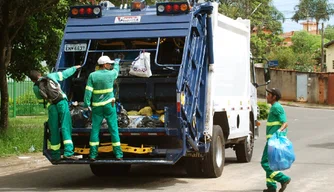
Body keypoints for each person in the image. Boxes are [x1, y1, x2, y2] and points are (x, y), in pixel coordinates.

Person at [28, 65, 81, 161]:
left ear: (33, 80)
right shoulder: (51, 76)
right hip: (61, 103)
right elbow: (65, 74)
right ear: (40, 74)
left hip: (52, 106)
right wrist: (75, 68)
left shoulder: (35, 88)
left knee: (54, 130)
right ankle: (68, 152)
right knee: (66, 126)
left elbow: (41, 100)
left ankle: (56, 156)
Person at [84, 55, 123, 161]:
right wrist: (117, 63)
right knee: (113, 129)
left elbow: (88, 91)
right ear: (105, 65)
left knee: (95, 130)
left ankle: (93, 155)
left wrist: (86, 104)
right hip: (109, 106)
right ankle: (118, 154)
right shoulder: (111, 74)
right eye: (109, 64)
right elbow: (116, 71)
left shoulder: (92, 75)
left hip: (97, 107)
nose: (110, 65)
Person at [262, 88, 291, 192]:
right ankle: (271, 187)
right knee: (270, 163)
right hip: (272, 140)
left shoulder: (277, 107)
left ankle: (283, 179)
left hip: (273, 141)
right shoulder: (274, 107)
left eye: (269, 94)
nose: (267, 96)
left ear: (274, 97)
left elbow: (285, 122)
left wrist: (279, 132)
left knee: (264, 162)